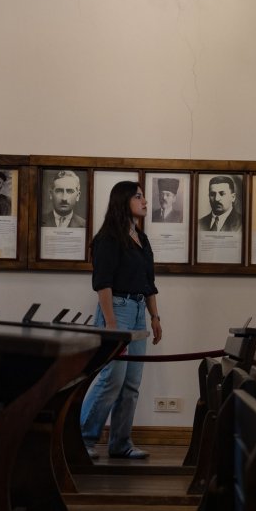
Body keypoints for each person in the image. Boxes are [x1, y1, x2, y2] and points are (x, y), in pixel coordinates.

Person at [80, 181, 162, 460]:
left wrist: (155, 317)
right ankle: (82, 439)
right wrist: (111, 323)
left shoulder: (142, 238)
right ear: (123, 200)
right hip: (117, 309)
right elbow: (102, 284)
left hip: (139, 309)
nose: (145, 202)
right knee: (111, 378)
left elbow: (149, 283)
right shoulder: (108, 238)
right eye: (139, 197)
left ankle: (120, 443)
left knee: (132, 382)